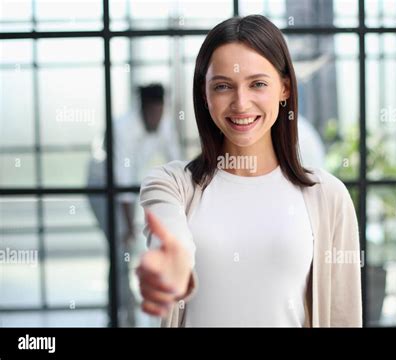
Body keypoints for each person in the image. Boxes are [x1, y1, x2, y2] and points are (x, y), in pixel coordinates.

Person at [136, 15, 362, 327]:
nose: (241, 103)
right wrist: (173, 260)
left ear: (284, 88)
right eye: (223, 86)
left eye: (257, 84)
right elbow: (171, 239)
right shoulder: (170, 184)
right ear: (204, 94)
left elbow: (342, 315)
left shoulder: (328, 196)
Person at [87, 83, 181, 326]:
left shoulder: (164, 124)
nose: (156, 117)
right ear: (142, 108)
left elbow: (178, 163)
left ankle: (125, 312)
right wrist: (128, 226)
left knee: (123, 249)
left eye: (160, 111)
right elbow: (122, 182)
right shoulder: (123, 128)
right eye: (152, 112)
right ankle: (122, 316)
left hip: (123, 189)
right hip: (100, 186)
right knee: (120, 247)